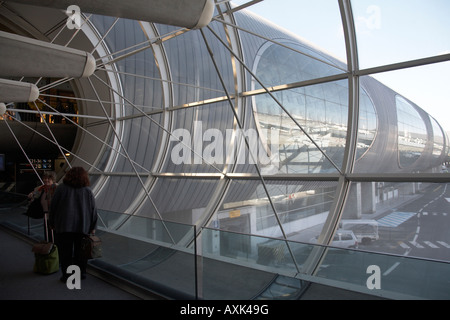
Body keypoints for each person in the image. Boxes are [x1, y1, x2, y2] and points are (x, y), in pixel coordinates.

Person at [49, 167, 98, 282]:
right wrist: (93, 227)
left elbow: (53, 207)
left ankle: (67, 276)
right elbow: (93, 211)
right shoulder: (87, 191)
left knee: (65, 253)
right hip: (82, 227)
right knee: (81, 253)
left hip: (63, 226)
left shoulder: (61, 189)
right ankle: (80, 274)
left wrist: (51, 222)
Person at [28, 171, 57, 237]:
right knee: (47, 234)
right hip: (46, 215)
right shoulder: (41, 188)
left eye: (48, 178)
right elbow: (34, 195)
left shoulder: (57, 188)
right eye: (45, 178)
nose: (46, 180)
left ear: (53, 179)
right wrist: (32, 194)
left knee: (55, 235)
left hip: (55, 216)